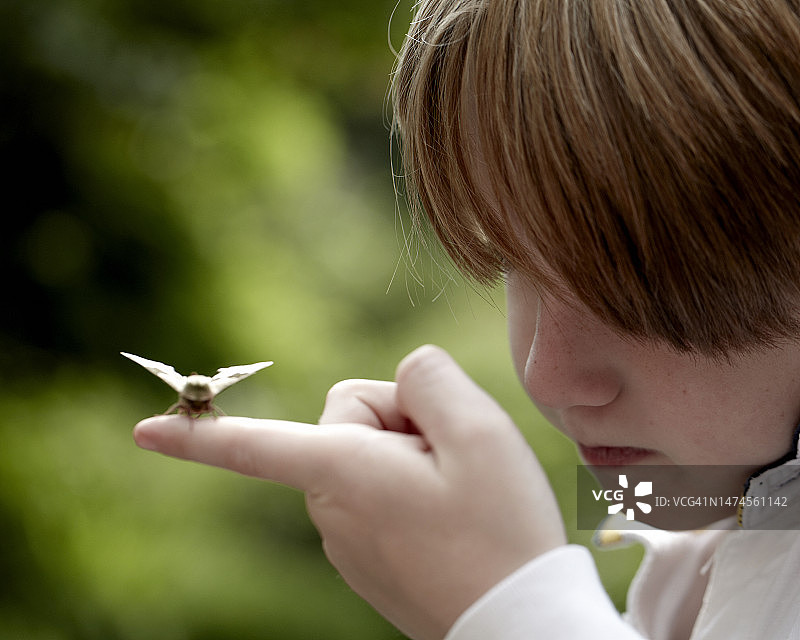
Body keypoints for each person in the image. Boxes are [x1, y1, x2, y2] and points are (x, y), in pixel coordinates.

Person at [132, 0, 800, 638]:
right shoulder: (716, 550)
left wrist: (511, 610)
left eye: (641, 280)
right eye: (512, 263)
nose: (548, 377)